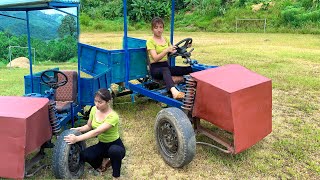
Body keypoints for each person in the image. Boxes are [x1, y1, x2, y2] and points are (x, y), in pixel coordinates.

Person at [64, 88, 125, 179]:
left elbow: (96, 131)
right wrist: (77, 129)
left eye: (100, 102)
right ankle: (102, 165)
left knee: (114, 151)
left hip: (115, 145)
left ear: (108, 101)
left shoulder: (113, 116)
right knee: (84, 155)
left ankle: (116, 176)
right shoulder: (93, 110)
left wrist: (76, 139)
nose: (97, 104)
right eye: (95, 101)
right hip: (102, 145)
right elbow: (89, 126)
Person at [146, 17, 193, 100]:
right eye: (156, 27)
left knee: (188, 69)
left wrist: (184, 48)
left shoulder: (166, 39)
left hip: (165, 66)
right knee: (165, 70)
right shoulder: (150, 41)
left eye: (161, 27)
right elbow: (155, 58)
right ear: (152, 29)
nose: (159, 30)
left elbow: (172, 51)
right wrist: (166, 50)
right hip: (155, 68)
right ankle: (174, 92)